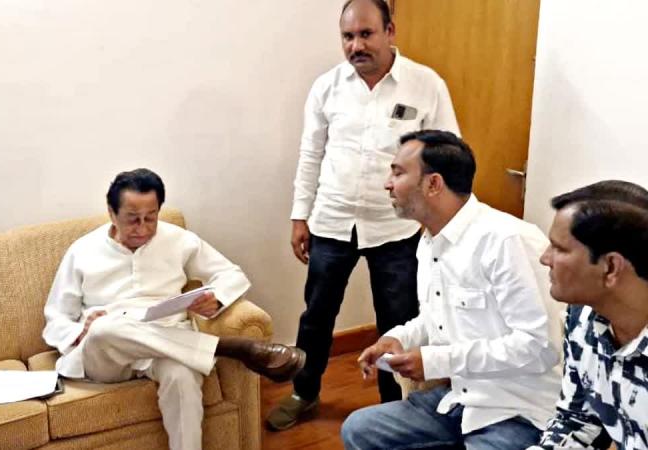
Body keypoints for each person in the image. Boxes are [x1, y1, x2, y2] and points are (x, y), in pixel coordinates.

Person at [270, 0, 461, 430]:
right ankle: (304, 392)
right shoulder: (327, 87)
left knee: (397, 320)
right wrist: (300, 216)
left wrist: (440, 220)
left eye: (366, 34)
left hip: (397, 226)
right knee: (317, 316)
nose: (356, 45)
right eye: (348, 36)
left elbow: (448, 154)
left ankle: (396, 406)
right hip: (332, 221)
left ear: (390, 31)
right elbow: (310, 154)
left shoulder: (425, 85)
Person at [43, 168, 306, 450]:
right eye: (132, 219)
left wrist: (217, 298)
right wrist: (80, 332)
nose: (143, 228)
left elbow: (231, 274)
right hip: (108, 353)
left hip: (166, 340)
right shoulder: (82, 250)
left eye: (151, 217)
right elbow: (55, 318)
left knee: (182, 376)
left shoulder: (179, 239)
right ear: (111, 212)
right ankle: (228, 348)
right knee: (104, 327)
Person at [341, 130, 562, 450]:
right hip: (460, 401)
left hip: (519, 412)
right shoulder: (429, 242)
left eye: (398, 173)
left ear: (433, 184)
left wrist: (437, 361)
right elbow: (436, 318)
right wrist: (399, 337)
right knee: (359, 430)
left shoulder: (507, 240)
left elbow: (540, 347)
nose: (388, 184)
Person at [531, 180, 648, 450]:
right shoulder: (582, 318)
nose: (544, 258)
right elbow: (577, 422)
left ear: (610, 267)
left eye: (559, 248)